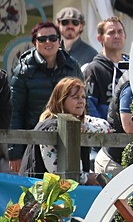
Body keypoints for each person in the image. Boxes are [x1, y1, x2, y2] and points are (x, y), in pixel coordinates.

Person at [7, 21, 82, 173]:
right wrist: (14, 153)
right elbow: (14, 113)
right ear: (35, 43)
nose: (48, 42)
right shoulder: (22, 71)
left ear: (59, 41)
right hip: (33, 143)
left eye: (53, 38)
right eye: (42, 39)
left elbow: (83, 104)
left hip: (70, 140)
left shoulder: (72, 66)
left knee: (71, 186)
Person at [19, 77, 112, 179]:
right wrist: (86, 179)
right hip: (39, 188)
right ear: (61, 100)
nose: (81, 101)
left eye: (83, 97)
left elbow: (105, 126)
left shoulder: (80, 121)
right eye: (75, 97)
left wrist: (83, 128)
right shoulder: (49, 127)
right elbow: (55, 171)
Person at [82, 16, 127, 120]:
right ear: (100, 38)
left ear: (125, 36)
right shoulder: (93, 69)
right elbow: (88, 104)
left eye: (120, 32)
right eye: (111, 33)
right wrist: (104, 128)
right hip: (106, 132)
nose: (116, 36)